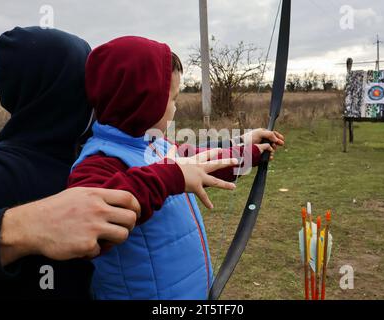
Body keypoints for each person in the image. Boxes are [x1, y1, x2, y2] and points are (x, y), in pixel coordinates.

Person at [0, 27, 237, 299]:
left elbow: (182, 156)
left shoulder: (100, 144)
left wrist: (244, 150)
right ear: (59, 90)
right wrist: (17, 227)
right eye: (85, 81)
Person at [68, 36, 284, 299]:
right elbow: (88, 223)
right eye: (172, 99)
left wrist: (247, 149)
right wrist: (172, 175)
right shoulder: (100, 160)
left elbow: (198, 162)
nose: (175, 108)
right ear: (142, 102)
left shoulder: (153, 143)